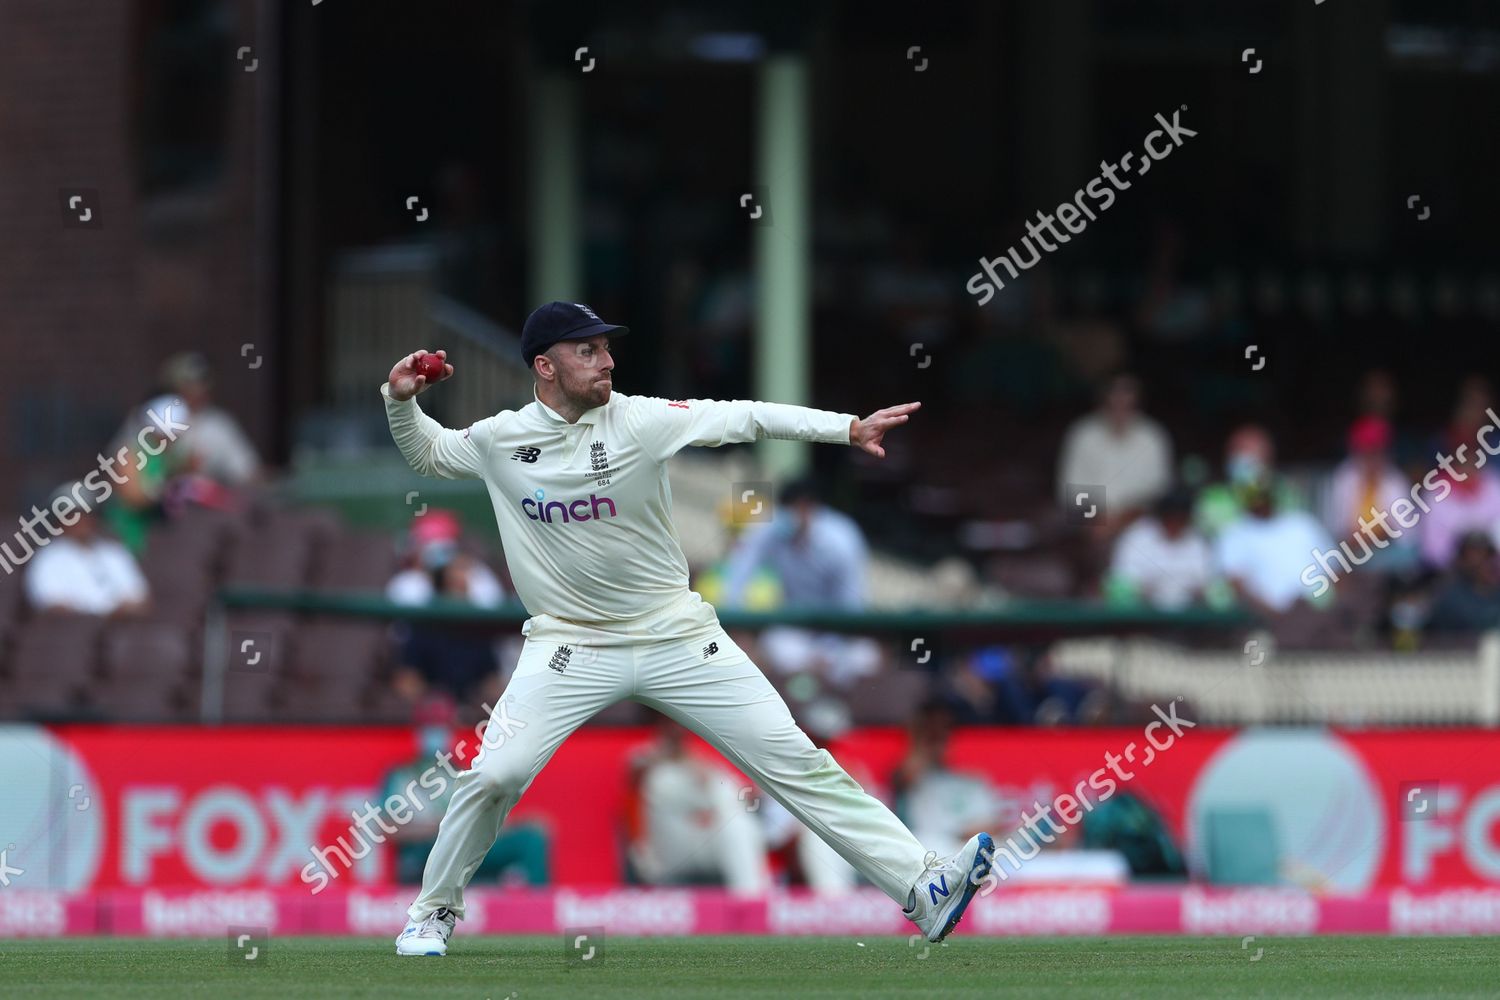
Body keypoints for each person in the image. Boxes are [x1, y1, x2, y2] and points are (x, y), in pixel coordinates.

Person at [382, 302, 993, 956]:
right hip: (568, 644)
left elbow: (745, 416)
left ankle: (923, 890)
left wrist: (845, 428)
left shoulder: (640, 420)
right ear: (545, 365)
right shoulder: (501, 439)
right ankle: (432, 913)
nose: (608, 360)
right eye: (587, 351)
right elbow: (427, 452)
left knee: (796, 760)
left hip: (676, 635)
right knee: (495, 775)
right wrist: (399, 399)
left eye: (606, 348)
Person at [721, 477, 881, 687]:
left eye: (795, 507)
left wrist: (830, 651)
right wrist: (737, 628)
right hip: (794, 631)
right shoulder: (774, 527)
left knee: (866, 658)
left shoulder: (841, 539)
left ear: (809, 507)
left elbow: (851, 606)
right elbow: (740, 569)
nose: (788, 515)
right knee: (777, 648)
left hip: (837, 633)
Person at [379, 715, 549, 886]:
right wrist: (438, 826)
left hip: (466, 845)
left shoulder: (462, 773)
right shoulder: (401, 775)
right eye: (431, 727)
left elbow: (483, 817)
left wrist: (521, 823)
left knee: (531, 839)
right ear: (418, 733)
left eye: (442, 728)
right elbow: (388, 829)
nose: (437, 734)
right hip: (427, 850)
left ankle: (539, 907)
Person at [624, 717, 771, 894]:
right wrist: (669, 755)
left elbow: (744, 796)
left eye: (679, 723)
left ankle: (754, 902)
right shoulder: (647, 759)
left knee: (738, 824)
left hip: (702, 840)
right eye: (670, 722)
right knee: (664, 779)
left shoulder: (701, 761)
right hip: (665, 854)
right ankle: (754, 901)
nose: (676, 729)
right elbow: (635, 767)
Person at [386, 509, 509, 709]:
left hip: (472, 716)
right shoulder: (421, 629)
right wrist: (434, 707)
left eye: (463, 574)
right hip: (434, 716)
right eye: (454, 579)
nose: (462, 583)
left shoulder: (478, 633)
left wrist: (487, 709)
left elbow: (492, 680)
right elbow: (407, 680)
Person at [1056, 373, 1172, 524]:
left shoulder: (1153, 437)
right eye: (1115, 396)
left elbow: (1161, 490)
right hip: (1089, 519)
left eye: (1127, 397)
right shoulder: (1082, 434)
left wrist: (1124, 515)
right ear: (1102, 400)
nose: (1121, 403)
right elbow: (1069, 491)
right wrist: (1100, 514)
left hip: (1139, 520)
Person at [26, 487, 150, 617]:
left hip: (120, 629)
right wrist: (93, 619)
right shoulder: (48, 558)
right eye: (73, 516)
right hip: (71, 632)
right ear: (60, 521)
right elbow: (52, 606)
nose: (82, 521)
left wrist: (119, 612)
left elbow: (142, 601)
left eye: (87, 514)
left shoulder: (115, 552)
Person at [158, 352, 262, 487]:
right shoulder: (151, 418)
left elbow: (247, 470)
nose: (195, 392)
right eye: (187, 384)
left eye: (200, 383)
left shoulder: (219, 424)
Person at [1106, 488, 1216, 610]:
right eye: (1170, 517)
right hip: (1143, 615)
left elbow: (1208, 584)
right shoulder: (1137, 535)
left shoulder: (1197, 540)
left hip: (1189, 616)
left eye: (1181, 518)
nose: (1175, 523)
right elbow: (1121, 584)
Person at [1426, 531, 1500, 632]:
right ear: (1461, 559)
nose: (1481, 561)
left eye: (1486, 555)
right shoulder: (1449, 596)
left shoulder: (1496, 593)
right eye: (1473, 555)